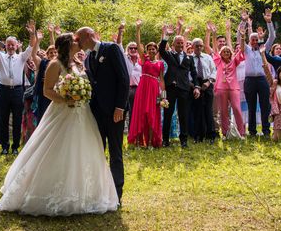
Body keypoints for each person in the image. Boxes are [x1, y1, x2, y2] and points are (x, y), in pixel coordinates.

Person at [0, 33, 119, 216]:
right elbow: (47, 90)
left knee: (84, 150)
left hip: (82, 113)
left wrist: (81, 95)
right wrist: (65, 98)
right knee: (58, 148)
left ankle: (86, 193)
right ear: (68, 45)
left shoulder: (79, 63)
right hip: (62, 111)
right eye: (75, 42)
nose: (79, 44)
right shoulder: (55, 64)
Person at [76, 26, 130, 202]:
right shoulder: (89, 57)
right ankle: (99, 191)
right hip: (97, 113)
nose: (78, 43)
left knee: (115, 152)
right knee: (98, 151)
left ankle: (117, 193)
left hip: (115, 111)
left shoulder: (111, 48)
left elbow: (123, 78)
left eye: (80, 39)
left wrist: (120, 107)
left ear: (89, 36)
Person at [0, 18, 36, 155]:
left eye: (13, 45)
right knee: (3, 119)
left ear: (17, 45)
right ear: (5, 46)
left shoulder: (21, 57)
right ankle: (5, 146)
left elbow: (31, 47)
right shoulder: (0, 56)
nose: (11, 47)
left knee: (17, 119)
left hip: (18, 91)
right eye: (9, 45)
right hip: (4, 91)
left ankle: (15, 147)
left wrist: (32, 34)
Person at [158, 24, 200, 147]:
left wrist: (197, 87)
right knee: (168, 114)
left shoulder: (189, 58)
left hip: (184, 89)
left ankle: (184, 140)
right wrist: (166, 35)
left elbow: (194, 73)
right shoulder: (169, 55)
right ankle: (165, 140)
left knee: (183, 115)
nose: (181, 45)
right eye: (178, 43)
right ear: (174, 44)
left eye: (182, 43)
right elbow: (161, 49)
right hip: (170, 88)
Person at [127, 19, 164, 148]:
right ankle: (138, 142)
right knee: (140, 113)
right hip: (143, 88)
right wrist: (138, 29)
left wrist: (163, 96)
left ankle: (150, 142)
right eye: (150, 49)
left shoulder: (160, 63)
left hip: (154, 89)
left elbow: (162, 80)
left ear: (156, 50)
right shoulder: (144, 59)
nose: (152, 50)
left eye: (154, 49)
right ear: (147, 50)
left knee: (152, 114)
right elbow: (137, 44)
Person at [205, 22, 246, 138]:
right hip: (220, 88)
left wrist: (242, 37)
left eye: (228, 51)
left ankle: (241, 132)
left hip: (233, 88)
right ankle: (225, 133)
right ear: (221, 53)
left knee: (237, 109)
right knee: (223, 111)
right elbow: (213, 47)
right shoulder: (218, 60)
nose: (226, 53)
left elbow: (242, 50)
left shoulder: (234, 61)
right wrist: (213, 34)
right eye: (224, 52)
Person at [191, 37, 217, 143]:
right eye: (196, 45)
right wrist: (194, 86)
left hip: (207, 84)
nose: (199, 47)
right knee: (197, 111)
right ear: (192, 46)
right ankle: (198, 136)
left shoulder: (207, 57)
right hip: (194, 85)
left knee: (208, 111)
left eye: (201, 45)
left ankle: (211, 136)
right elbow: (187, 74)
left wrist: (209, 82)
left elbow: (213, 70)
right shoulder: (189, 58)